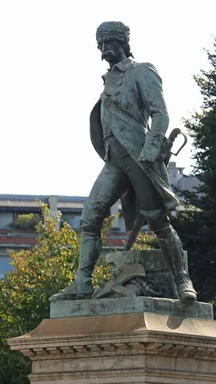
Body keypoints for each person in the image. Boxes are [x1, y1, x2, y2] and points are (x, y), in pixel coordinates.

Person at [51, 21, 196, 302]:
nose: (105, 50)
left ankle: (182, 280)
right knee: (90, 217)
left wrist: (153, 147)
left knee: (158, 221)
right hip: (113, 161)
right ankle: (82, 283)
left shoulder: (141, 71)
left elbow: (160, 114)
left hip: (139, 158)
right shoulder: (108, 81)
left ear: (123, 44)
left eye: (110, 44)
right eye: (101, 45)